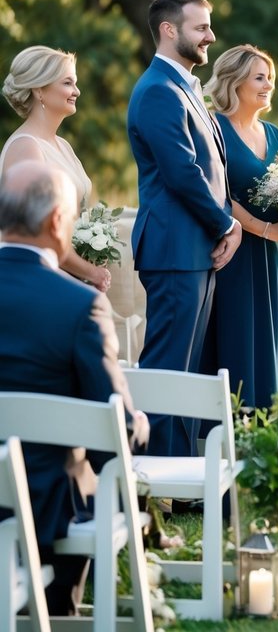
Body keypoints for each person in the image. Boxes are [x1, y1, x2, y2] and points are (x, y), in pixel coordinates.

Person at [0, 161, 149, 615]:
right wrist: (139, 426)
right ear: (55, 222)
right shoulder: (80, 305)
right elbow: (115, 432)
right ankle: (56, 608)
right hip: (43, 504)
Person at [127, 0, 239, 457]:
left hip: (193, 249)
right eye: (200, 27)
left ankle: (182, 478)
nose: (210, 36)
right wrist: (226, 225)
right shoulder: (156, 90)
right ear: (169, 30)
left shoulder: (186, 87)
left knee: (187, 371)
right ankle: (148, 487)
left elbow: (214, 168)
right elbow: (181, 172)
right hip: (174, 249)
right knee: (165, 373)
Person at [200, 45, 278, 409]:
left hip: (273, 258)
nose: (268, 85)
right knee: (238, 338)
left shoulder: (275, 134)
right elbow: (217, 195)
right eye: (260, 77)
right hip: (234, 255)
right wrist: (264, 228)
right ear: (235, 81)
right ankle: (236, 435)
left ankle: (275, 435)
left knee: (273, 338)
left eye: (270, 78)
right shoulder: (214, 128)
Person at [1, 45, 112, 291]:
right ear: (40, 90)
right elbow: (36, 231)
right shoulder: (26, 148)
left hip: (72, 280)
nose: (77, 91)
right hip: (42, 284)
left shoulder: (62, 145)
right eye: (68, 83)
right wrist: (90, 272)